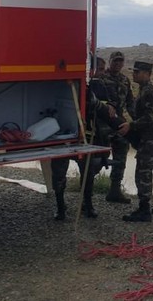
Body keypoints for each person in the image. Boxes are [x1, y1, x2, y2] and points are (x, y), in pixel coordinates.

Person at [51, 57, 124, 220]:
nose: (101, 73)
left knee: (88, 173)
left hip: (88, 137)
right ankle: (60, 206)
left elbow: (109, 108)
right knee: (59, 173)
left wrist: (114, 114)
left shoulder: (100, 86)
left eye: (103, 70)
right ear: (90, 70)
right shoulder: (71, 83)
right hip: (64, 136)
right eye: (99, 69)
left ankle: (87, 204)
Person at [117, 61, 153, 222]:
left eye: (137, 72)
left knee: (144, 171)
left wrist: (131, 125)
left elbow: (150, 117)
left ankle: (144, 209)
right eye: (134, 71)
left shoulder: (149, 91)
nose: (134, 74)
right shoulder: (145, 90)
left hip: (151, 138)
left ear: (147, 73)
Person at [103, 51, 135, 204]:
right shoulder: (101, 77)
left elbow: (130, 103)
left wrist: (138, 121)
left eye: (120, 61)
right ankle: (86, 195)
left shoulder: (125, 80)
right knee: (94, 159)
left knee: (122, 150)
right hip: (101, 124)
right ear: (110, 62)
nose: (117, 64)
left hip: (119, 123)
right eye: (115, 61)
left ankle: (115, 190)